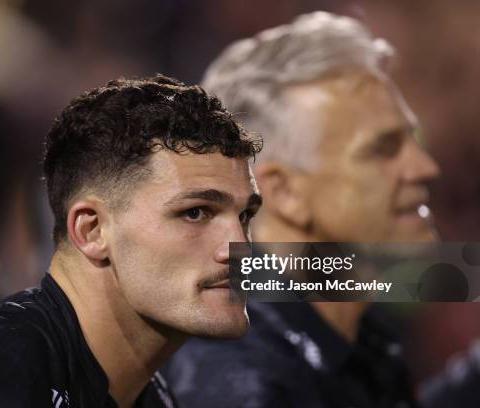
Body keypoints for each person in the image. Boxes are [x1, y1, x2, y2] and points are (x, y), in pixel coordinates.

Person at [0, 75, 262, 407]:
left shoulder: (143, 390)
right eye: (195, 212)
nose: (238, 246)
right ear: (92, 231)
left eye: (245, 216)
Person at [165, 11, 440, 408]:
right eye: (383, 149)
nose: (424, 167)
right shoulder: (241, 384)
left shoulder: (349, 336)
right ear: (284, 191)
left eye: (413, 141)